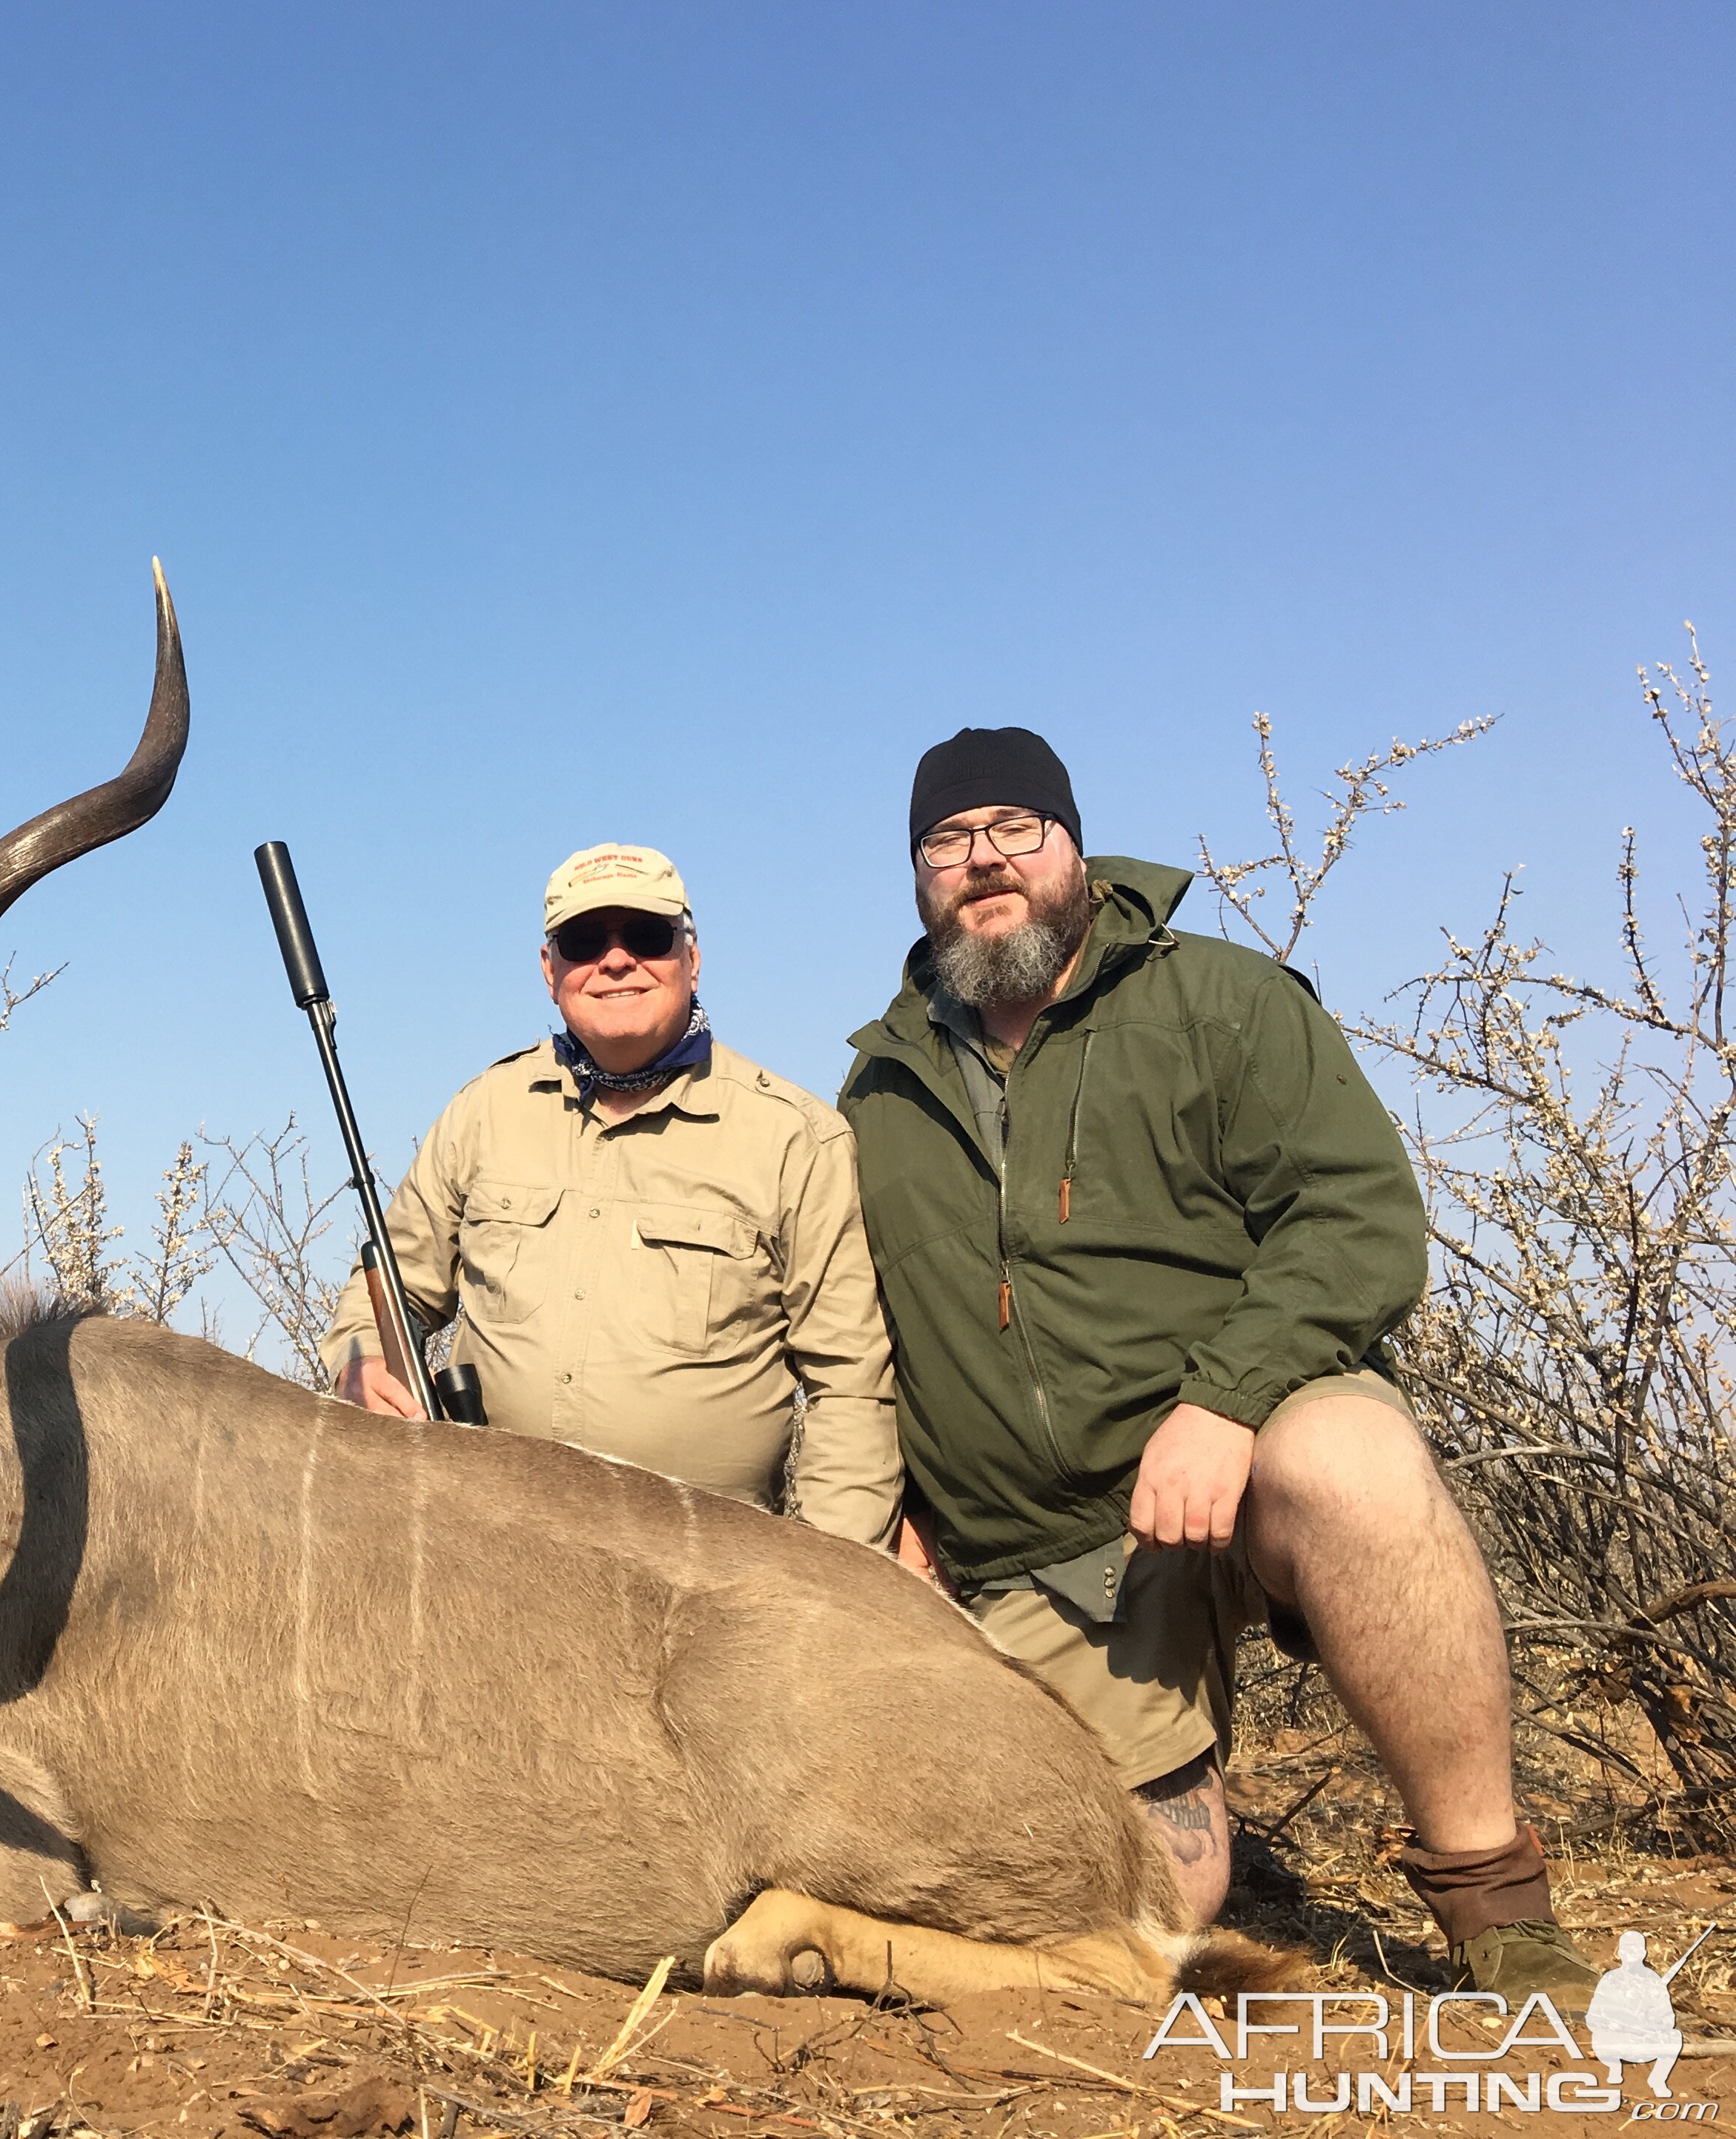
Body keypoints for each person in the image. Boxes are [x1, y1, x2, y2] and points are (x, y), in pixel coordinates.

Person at [839, 724, 1591, 1998]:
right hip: (1052, 1553)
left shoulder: (1224, 1000)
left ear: (1074, 846)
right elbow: (873, 1329)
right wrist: (907, 1502)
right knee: (1139, 1904)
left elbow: (1357, 1222)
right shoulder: (875, 1089)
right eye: (949, 839)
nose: (984, 859)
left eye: (1016, 827)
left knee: (1351, 1454)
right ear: (919, 873)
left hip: (1238, 1469)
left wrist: (1222, 1400)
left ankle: (1496, 1904)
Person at [317, 842, 901, 1547]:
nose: (616, 960)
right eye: (585, 940)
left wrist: (826, 1583)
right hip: (486, 1548)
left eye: (646, 937)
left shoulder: (797, 1139)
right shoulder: (483, 1111)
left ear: (691, 956)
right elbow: (391, 1290)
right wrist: (363, 1361)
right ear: (549, 968)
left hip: (705, 1579)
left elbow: (850, 1387)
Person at [1587, 1932, 1685, 2096]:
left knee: (1674, 2036)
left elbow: (1668, 2019)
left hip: (1644, 2040)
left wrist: (1652, 2022)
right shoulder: (1610, 1979)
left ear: (1643, 1953)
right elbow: (1592, 2017)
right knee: (1599, 2036)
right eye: (1626, 1950)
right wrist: (1611, 2023)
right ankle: (1614, 2067)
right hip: (1616, 2040)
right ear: (1619, 1953)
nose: (1631, 1954)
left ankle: (1658, 2080)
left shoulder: (1654, 1981)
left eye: (1636, 1950)